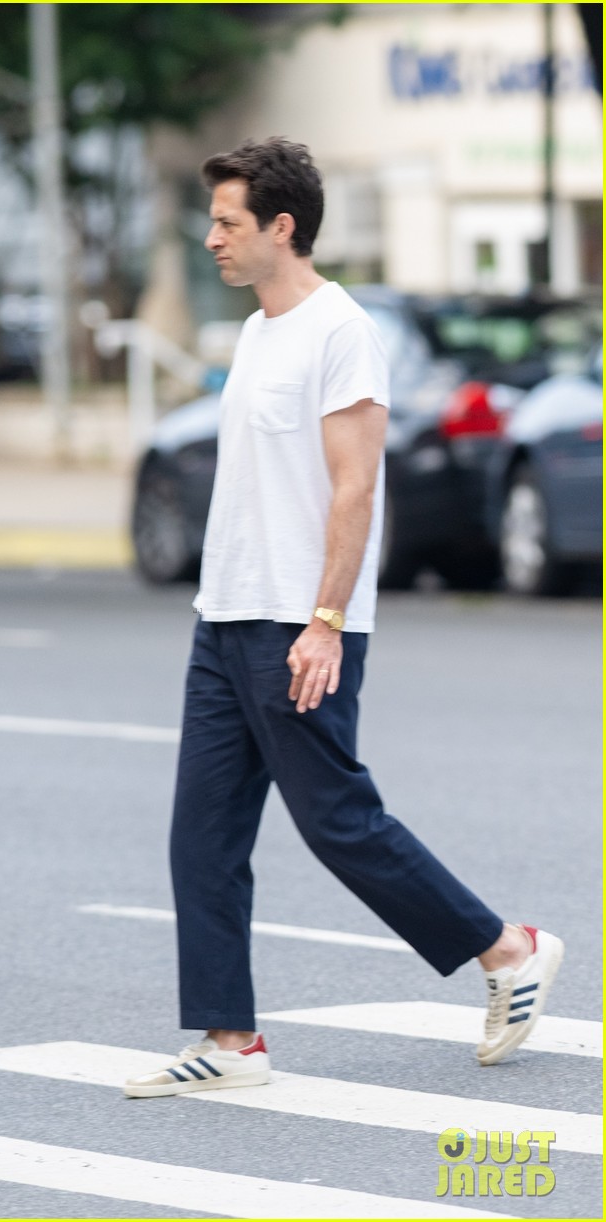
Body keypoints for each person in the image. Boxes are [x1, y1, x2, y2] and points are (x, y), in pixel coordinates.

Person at [124, 138, 563, 1099]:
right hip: (225, 615)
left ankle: (505, 949)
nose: (212, 241)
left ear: (283, 227)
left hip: (298, 623)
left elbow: (355, 488)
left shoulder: (340, 331)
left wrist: (323, 621)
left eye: (229, 223)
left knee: (337, 824)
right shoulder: (254, 333)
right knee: (201, 835)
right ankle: (231, 1041)